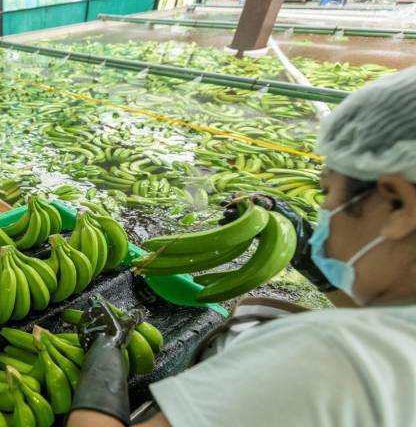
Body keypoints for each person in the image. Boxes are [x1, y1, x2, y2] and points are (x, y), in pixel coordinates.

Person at [67, 66, 416, 427]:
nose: (325, 210)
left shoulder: (333, 359)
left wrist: (103, 352)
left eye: (329, 192)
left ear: (398, 205)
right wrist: (306, 253)